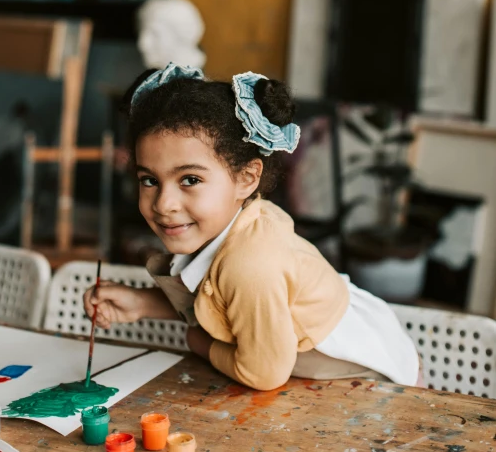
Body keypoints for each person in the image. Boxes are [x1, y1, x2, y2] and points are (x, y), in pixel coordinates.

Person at [84, 63, 420, 391]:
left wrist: (198, 342)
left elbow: (263, 373)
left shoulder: (250, 263)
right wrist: (143, 303)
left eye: (190, 179)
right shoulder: (235, 223)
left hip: (372, 383)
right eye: (149, 180)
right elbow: (225, 305)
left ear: (246, 179)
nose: (163, 203)